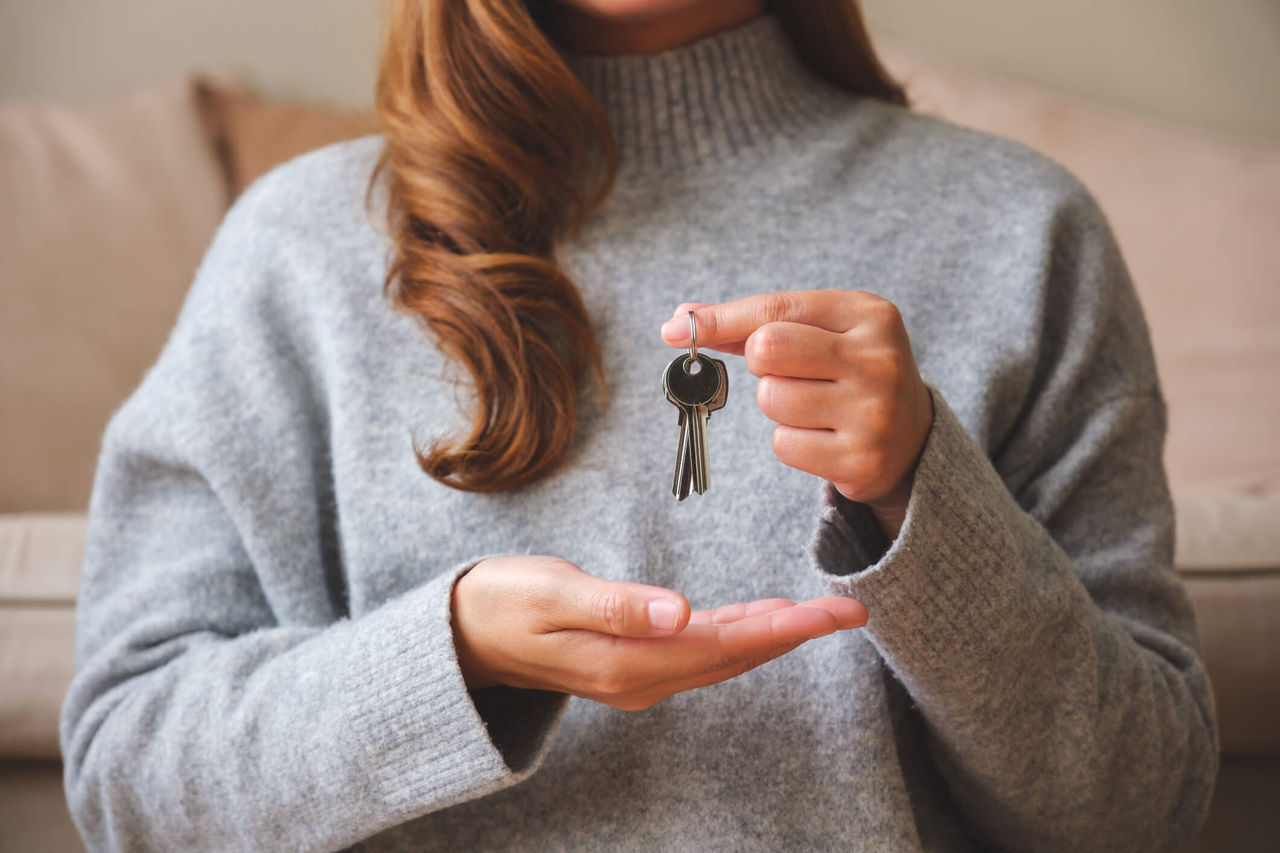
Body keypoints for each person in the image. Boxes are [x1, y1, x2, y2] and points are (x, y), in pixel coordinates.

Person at [59, 0, 1219, 850]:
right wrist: (453, 655)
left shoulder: (1021, 231)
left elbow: (1136, 810)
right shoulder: (300, 248)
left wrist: (924, 493)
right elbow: (127, 779)